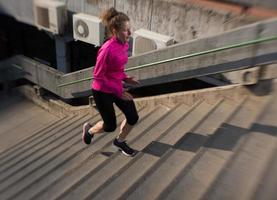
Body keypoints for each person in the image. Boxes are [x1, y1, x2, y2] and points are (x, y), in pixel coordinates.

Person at [82, 7, 139, 157]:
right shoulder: (106, 50)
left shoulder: (124, 44)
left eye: (129, 29)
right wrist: (119, 91)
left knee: (133, 117)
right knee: (109, 126)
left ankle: (119, 142)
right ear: (114, 30)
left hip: (116, 86)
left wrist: (125, 78)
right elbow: (98, 77)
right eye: (126, 30)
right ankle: (89, 130)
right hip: (102, 91)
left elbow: (116, 69)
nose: (130, 33)